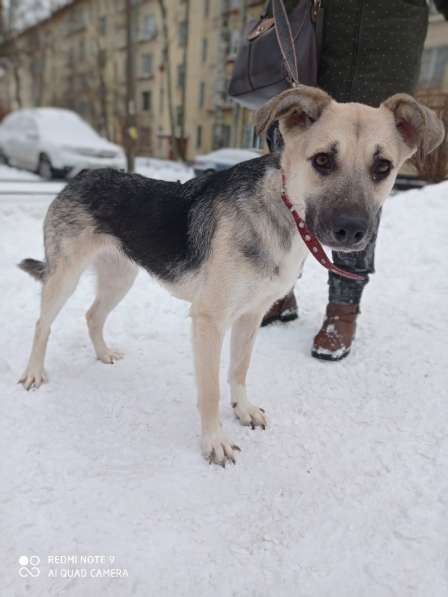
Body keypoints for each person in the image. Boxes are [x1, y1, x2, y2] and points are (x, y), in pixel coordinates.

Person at [262, 0, 446, 361]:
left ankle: (341, 312)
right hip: (316, 57)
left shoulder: (394, 123)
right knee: (287, 195)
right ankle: (279, 290)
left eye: (384, 170)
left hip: (385, 65)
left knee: (358, 210)